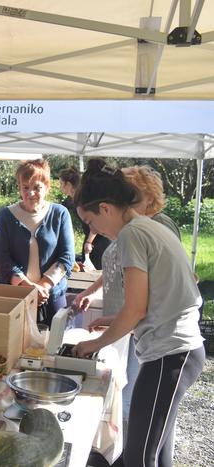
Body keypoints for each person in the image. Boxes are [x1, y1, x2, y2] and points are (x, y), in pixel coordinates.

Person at [71, 165, 204, 467]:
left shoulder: (132, 234)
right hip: (179, 351)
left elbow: (136, 310)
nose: (97, 231)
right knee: (159, 449)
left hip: (172, 353)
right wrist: (112, 320)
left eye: (91, 221)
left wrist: (95, 344)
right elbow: (148, 301)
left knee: (139, 456)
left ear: (105, 208)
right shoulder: (146, 226)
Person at [0, 159, 74, 324]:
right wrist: (28, 286)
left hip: (52, 294)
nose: (30, 193)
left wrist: (43, 287)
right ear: (19, 188)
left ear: (47, 187)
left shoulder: (60, 214)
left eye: (37, 187)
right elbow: (1, 257)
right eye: (25, 187)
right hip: (14, 295)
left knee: (54, 342)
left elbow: (67, 256)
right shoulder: (6, 215)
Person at [59, 165, 110, 269]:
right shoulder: (71, 200)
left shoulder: (83, 197)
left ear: (68, 184)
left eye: (61, 184)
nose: (60, 187)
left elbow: (95, 220)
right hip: (91, 238)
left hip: (99, 239)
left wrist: (89, 241)